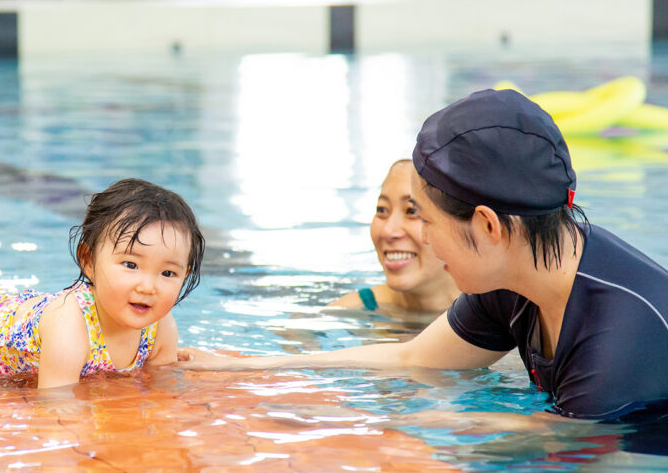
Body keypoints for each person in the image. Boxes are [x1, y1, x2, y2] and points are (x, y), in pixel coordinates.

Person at [180, 89, 668, 421]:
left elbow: (577, 453)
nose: (425, 240)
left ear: (487, 226)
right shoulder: (512, 278)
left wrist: (395, 420)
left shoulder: (618, 335)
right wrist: (241, 368)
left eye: (427, 221)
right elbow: (413, 356)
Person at [0, 178, 205, 389]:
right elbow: (57, 410)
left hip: (36, 351)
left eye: (168, 273)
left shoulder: (161, 327)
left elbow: (160, 388)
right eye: (131, 265)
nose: (148, 287)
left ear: (185, 274)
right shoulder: (70, 326)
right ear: (88, 261)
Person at [331, 159, 459, 314]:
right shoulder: (344, 313)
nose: (388, 231)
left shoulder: (494, 316)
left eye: (412, 211)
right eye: (382, 210)